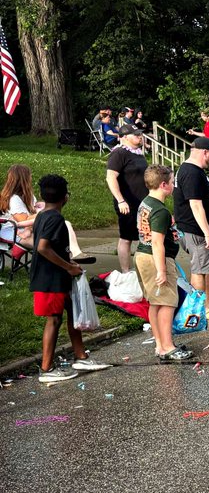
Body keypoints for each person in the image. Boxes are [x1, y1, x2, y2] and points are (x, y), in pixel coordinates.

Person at [29, 175, 111, 384]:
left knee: (73, 312)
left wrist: (70, 264)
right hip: (50, 279)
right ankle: (46, 368)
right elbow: (43, 247)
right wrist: (68, 267)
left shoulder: (41, 215)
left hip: (58, 275)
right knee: (54, 320)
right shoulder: (55, 219)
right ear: (65, 197)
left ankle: (80, 356)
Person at [134, 166, 193, 363]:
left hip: (143, 255)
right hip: (156, 258)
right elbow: (158, 242)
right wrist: (161, 270)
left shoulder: (146, 204)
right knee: (167, 302)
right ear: (163, 184)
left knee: (155, 302)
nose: (174, 184)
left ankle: (160, 345)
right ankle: (168, 347)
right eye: (172, 181)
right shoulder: (160, 211)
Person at [174, 137, 209, 323]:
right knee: (199, 269)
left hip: (204, 231)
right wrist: (207, 233)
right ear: (205, 152)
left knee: (208, 268)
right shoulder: (191, 172)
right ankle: (202, 309)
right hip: (196, 231)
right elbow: (195, 206)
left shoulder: (195, 171)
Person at [105, 124, 150, 274]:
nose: (139, 136)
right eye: (135, 134)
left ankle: (143, 269)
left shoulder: (137, 153)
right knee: (126, 237)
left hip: (142, 202)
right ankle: (126, 271)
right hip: (127, 203)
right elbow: (111, 177)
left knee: (145, 236)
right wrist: (120, 200)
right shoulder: (119, 153)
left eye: (140, 134)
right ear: (124, 137)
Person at [1, 163, 37, 248]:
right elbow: (24, 222)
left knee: (64, 227)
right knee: (48, 245)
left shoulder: (29, 196)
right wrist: (44, 212)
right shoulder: (13, 199)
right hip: (14, 231)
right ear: (24, 179)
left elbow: (33, 216)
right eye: (29, 176)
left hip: (29, 229)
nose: (31, 178)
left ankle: (72, 257)